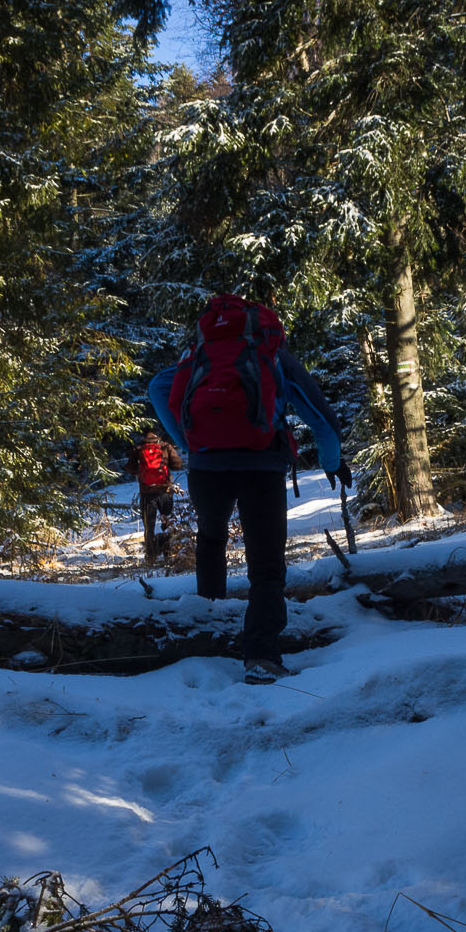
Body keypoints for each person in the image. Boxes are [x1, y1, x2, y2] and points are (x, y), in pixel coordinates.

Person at [145, 292, 348, 684]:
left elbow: (158, 388)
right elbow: (318, 414)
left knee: (211, 542)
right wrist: (332, 461)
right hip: (261, 463)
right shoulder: (269, 352)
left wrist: (190, 444)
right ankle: (261, 656)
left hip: (207, 466)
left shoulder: (198, 354)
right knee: (266, 566)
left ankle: (208, 634)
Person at [126, 431, 183, 565]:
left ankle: (150, 558)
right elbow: (178, 465)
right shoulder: (165, 447)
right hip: (165, 492)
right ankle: (167, 555)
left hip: (147, 493)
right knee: (167, 523)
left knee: (149, 526)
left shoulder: (139, 449)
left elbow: (130, 468)